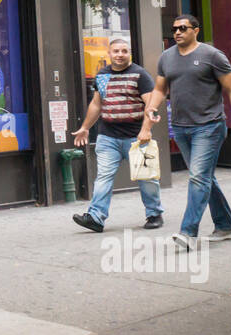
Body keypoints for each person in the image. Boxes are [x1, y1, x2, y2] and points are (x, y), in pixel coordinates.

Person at [138, 14, 231, 251]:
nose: (177, 32)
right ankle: (225, 224)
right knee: (204, 177)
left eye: (183, 28)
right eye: (174, 29)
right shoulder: (166, 57)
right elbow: (160, 89)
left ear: (196, 30)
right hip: (181, 127)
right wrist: (150, 108)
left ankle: (188, 232)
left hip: (209, 125)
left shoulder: (212, 56)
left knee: (198, 177)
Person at [70, 38, 164, 232]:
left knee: (146, 178)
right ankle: (96, 217)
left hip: (136, 138)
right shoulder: (102, 75)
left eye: (123, 51)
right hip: (108, 137)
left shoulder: (140, 74)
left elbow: (151, 105)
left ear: (129, 53)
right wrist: (85, 127)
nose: (120, 54)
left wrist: (146, 130)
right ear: (109, 54)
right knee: (103, 177)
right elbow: (97, 104)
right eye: (116, 51)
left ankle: (154, 214)